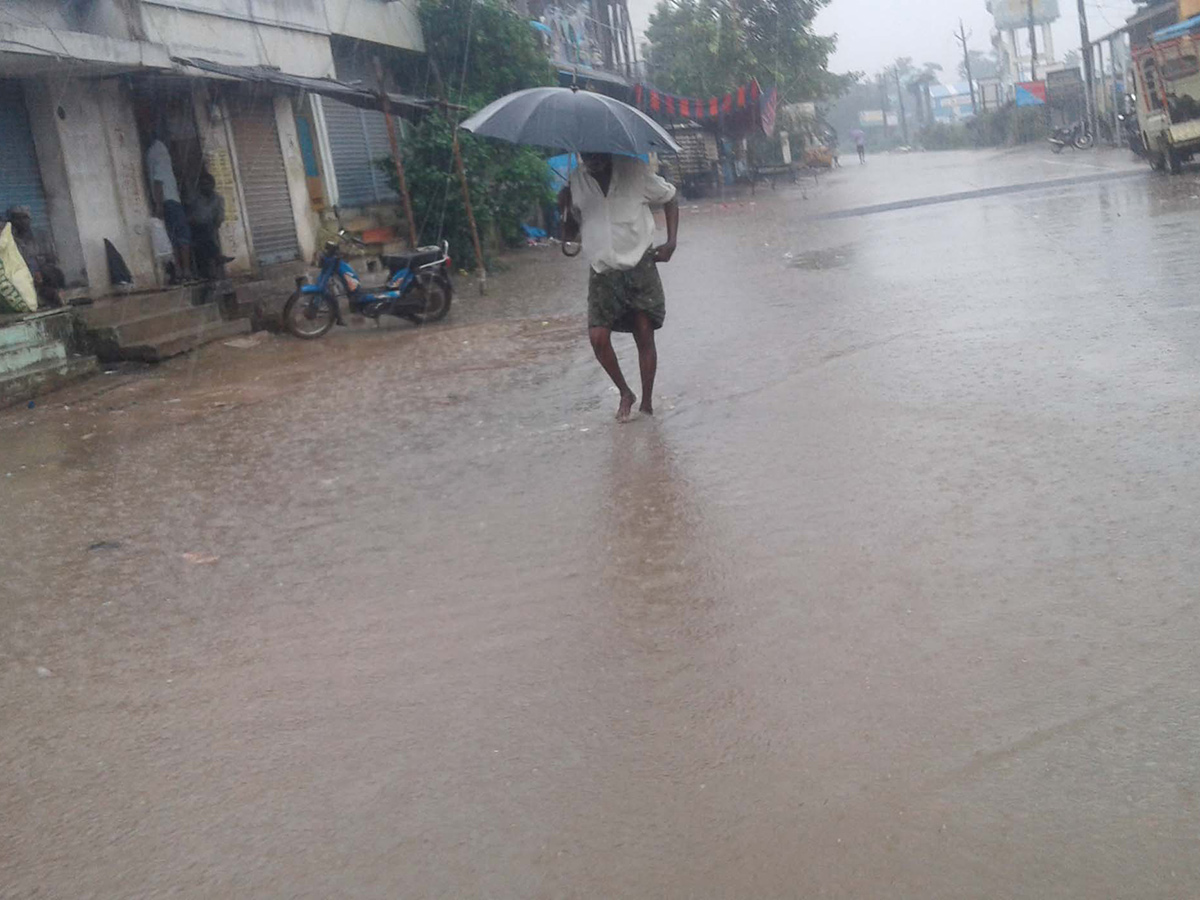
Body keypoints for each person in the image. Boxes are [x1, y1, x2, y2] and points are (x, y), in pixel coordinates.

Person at [559, 153, 679, 422]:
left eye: (595, 150)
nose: (591, 157)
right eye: (585, 152)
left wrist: (671, 242)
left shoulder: (634, 172)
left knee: (644, 334)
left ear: (607, 148)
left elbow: (670, 197)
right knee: (598, 338)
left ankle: (647, 405)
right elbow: (569, 236)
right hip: (603, 270)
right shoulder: (576, 181)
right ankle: (626, 392)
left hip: (639, 265)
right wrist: (564, 209)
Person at [144, 125, 194, 282]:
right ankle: (185, 271)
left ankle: (179, 272)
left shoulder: (151, 152)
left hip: (167, 200)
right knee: (183, 237)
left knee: (173, 238)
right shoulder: (160, 150)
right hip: (170, 200)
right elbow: (158, 180)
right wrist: (159, 204)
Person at [5, 206, 64, 308]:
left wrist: (40, 271)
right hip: (20, 276)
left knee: (54, 273)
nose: (22, 221)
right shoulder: (7, 240)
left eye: (25, 218)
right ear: (11, 221)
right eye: (17, 218)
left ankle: (52, 298)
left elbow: (52, 258)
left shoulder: (41, 236)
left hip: (42, 275)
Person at [188, 170, 228, 279]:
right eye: (203, 184)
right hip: (196, 227)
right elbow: (192, 215)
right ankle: (217, 256)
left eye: (208, 184)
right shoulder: (195, 198)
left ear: (213, 185)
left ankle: (214, 266)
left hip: (210, 227)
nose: (206, 187)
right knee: (205, 235)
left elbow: (220, 216)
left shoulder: (218, 199)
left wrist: (215, 225)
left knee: (208, 234)